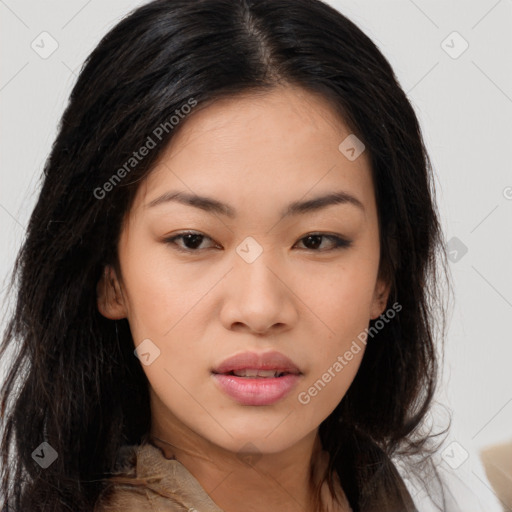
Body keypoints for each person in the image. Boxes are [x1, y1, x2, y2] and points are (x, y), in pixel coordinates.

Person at [0, 0, 452, 510]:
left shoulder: (374, 491)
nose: (259, 309)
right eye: (193, 240)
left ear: (384, 276)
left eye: (316, 240)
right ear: (110, 277)